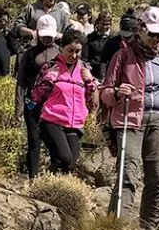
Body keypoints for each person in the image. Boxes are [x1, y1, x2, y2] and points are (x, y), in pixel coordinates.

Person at [101, 6, 159, 230]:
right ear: (140, 29)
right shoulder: (122, 56)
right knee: (128, 176)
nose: (156, 39)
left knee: (158, 179)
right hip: (130, 120)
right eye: (152, 33)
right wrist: (116, 92)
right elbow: (105, 92)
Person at [29, 28, 98, 173]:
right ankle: (44, 183)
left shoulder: (84, 68)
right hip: (52, 121)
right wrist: (48, 79)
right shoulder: (51, 66)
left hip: (75, 123)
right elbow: (35, 96)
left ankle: (48, 187)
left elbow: (91, 98)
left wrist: (90, 82)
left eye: (78, 51)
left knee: (70, 164)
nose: (74, 55)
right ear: (61, 48)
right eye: (70, 50)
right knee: (64, 157)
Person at [15, 14, 61, 179]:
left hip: (54, 104)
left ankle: (52, 178)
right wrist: (19, 108)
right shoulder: (29, 54)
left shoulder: (61, 52)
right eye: (44, 36)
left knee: (53, 142)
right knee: (34, 140)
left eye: (50, 36)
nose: (47, 40)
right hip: (32, 103)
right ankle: (33, 179)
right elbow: (20, 82)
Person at [84, 11, 114, 81]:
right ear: (98, 22)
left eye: (107, 24)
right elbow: (84, 58)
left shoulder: (114, 40)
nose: (104, 27)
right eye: (102, 24)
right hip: (91, 74)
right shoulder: (90, 38)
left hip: (108, 74)